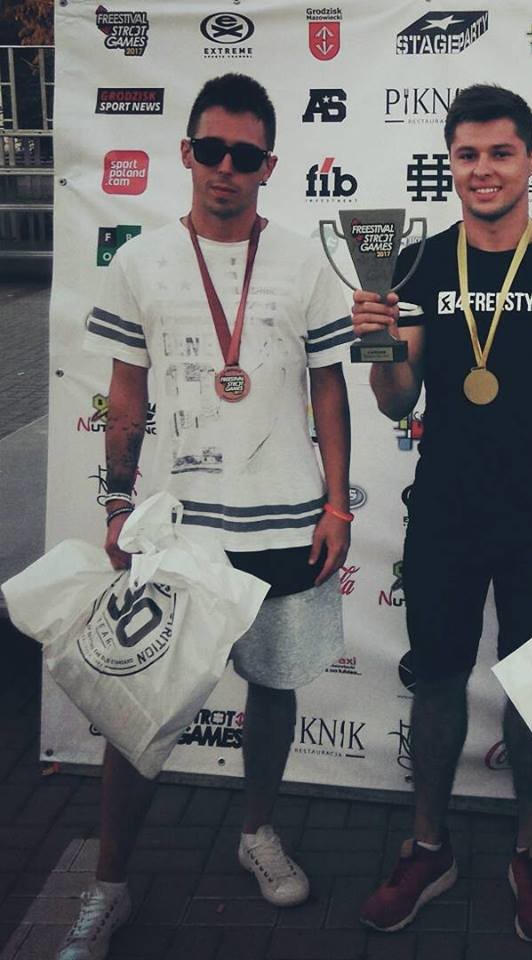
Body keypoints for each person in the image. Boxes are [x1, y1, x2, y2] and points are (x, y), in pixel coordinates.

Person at [57, 73, 353, 960]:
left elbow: (329, 390)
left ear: (269, 165)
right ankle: (109, 884)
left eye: (246, 154)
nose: (228, 167)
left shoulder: (304, 260)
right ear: (187, 152)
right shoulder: (140, 261)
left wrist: (338, 501)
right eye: (213, 149)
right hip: (182, 529)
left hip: (286, 520)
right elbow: (125, 392)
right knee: (135, 702)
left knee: (274, 688)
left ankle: (257, 830)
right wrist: (118, 501)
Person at [351, 84, 532, 942]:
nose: (483, 169)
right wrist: (380, 341)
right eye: (467, 154)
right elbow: (396, 401)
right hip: (445, 511)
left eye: (501, 152)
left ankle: (531, 852)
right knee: (436, 678)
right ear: (450, 164)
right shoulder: (418, 264)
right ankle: (427, 846)